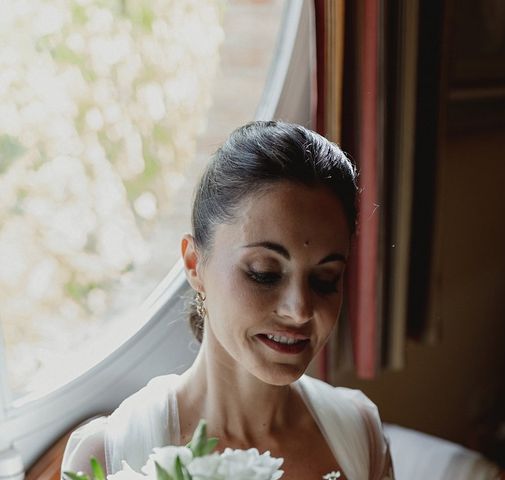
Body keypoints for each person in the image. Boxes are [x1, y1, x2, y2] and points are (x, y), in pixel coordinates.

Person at [62, 121, 394, 480]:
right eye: (264, 273)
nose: (299, 310)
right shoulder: (110, 457)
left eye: (325, 280)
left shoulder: (361, 435)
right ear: (194, 263)